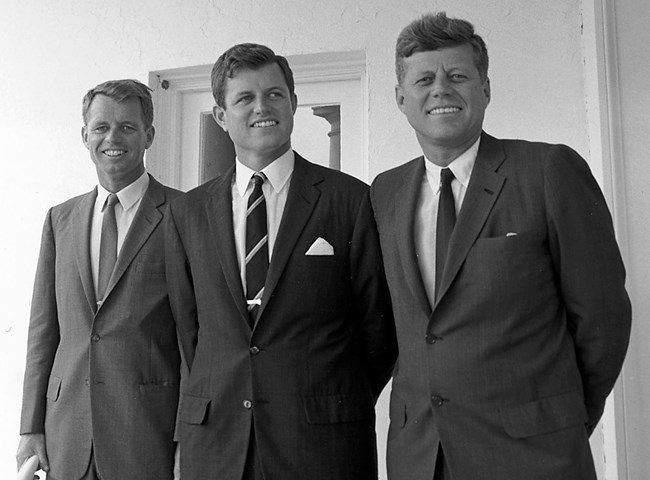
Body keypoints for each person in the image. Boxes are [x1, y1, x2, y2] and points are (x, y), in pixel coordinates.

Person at [370, 12, 632, 480]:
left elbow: (603, 318)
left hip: (534, 457)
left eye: (457, 76)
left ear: (485, 89)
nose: (441, 89)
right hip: (421, 458)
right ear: (400, 98)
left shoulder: (548, 170)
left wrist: (561, 420)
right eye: (424, 78)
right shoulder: (384, 193)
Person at [165, 43, 397, 480]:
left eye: (274, 94)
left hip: (323, 441)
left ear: (293, 102)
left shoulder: (350, 200)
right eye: (244, 99)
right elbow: (189, 330)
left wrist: (331, 396)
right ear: (221, 116)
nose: (261, 108)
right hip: (219, 444)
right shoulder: (187, 213)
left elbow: (378, 329)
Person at [17, 79, 182, 480]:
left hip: (146, 433)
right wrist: (30, 425)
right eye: (101, 127)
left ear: (149, 136)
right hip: (65, 435)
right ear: (85, 135)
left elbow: (194, 337)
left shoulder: (183, 214)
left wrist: (189, 436)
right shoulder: (61, 219)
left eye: (127, 127)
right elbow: (44, 332)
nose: (113, 137)